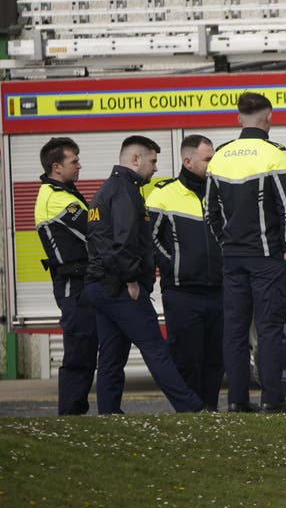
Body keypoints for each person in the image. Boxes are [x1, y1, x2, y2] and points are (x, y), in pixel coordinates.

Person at [82, 135, 203, 414]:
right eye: (153, 161)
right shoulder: (125, 191)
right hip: (119, 287)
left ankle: (109, 412)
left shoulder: (107, 189)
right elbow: (123, 242)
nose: (155, 168)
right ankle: (191, 407)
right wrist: (132, 280)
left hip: (99, 286)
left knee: (112, 355)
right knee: (156, 349)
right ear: (136, 159)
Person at [206, 91, 286, 414]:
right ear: (269, 118)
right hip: (266, 257)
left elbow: (210, 213)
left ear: (239, 118)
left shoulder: (220, 157)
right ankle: (272, 399)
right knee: (269, 328)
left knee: (234, 331)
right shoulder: (274, 156)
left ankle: (237, 401)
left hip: (232, 258)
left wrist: (226, 244)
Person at [146, 134, 224, 411]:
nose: (212, 165)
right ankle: (190, 412)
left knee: (216, 358)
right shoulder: (163, 194)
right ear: (187, 161)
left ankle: (209, 410)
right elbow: (149, 239)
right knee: (186, 357)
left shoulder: (219, 194)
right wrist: (173, 264)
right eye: (208, 159)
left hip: (219, 291)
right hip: (182, 293)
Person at [34, 137, 98, 415]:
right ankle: (71, 414)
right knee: (79, 349)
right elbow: (94, 231)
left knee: (87, 347)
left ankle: (76, 412)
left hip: (81, 282)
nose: (79, 165)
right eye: (74, 161)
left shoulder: (64, 193)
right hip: (74, 284)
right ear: (57, 167)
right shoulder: (56, 198)